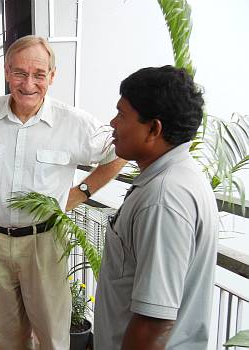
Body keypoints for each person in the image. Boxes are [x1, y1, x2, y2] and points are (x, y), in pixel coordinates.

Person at [0, 35, 125, 350]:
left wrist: (82, 191)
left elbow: (121, 150)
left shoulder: (74, 123)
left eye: (39, 74)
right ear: (7, 72)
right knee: (8, 335)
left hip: (45, 243)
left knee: (52, 336)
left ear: (52, 77)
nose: (28, 83)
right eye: (19, 73)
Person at [94, 65, 218, 350]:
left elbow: (154, 320)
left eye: (122, 114)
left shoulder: (164, 199)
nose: (112, 123)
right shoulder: (180, 176)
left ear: (154, 128)